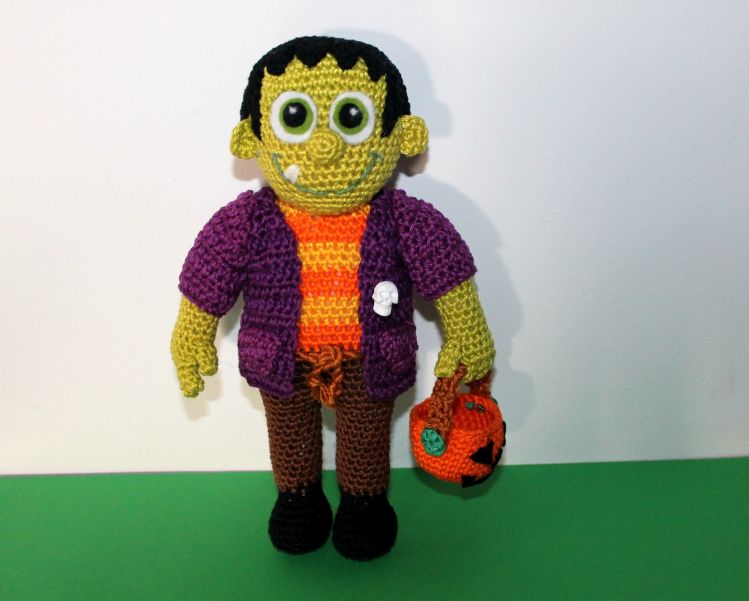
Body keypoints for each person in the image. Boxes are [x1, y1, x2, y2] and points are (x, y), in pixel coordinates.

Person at [171, 36, 495, 561]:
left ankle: (364, 504)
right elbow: (209, 274)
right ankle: (298, 499)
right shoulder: (248, 222)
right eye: (295, 117)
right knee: (290, 436)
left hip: (370, 360)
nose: (324, 146)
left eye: (350, 118)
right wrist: (192, 333)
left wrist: (467, 330)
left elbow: (446, 271)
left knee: (365, 438)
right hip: (281, 359)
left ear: (402, 135)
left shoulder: (404, 221)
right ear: (252, 138)